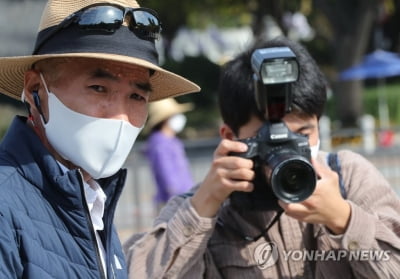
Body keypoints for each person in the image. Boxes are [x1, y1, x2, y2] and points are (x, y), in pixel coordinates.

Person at [123, 36, 400, 278]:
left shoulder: (348, 177)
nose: (288, 149)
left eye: (303, 133)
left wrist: (344, 219)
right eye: (270, 139)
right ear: (230, 137)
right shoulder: (208, 207)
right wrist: (203, 205)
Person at [0, 0, 200, 278]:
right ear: (36, 90)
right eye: (98, 88)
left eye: (137, 96)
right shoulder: (6, 206)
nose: (120, 116)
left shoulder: (92, 198)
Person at [144, 98, 195, 211]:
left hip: (184, 198)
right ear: (166, 119)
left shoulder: (172, 140)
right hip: (173, 202)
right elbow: (167, 175)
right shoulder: (159, 142)